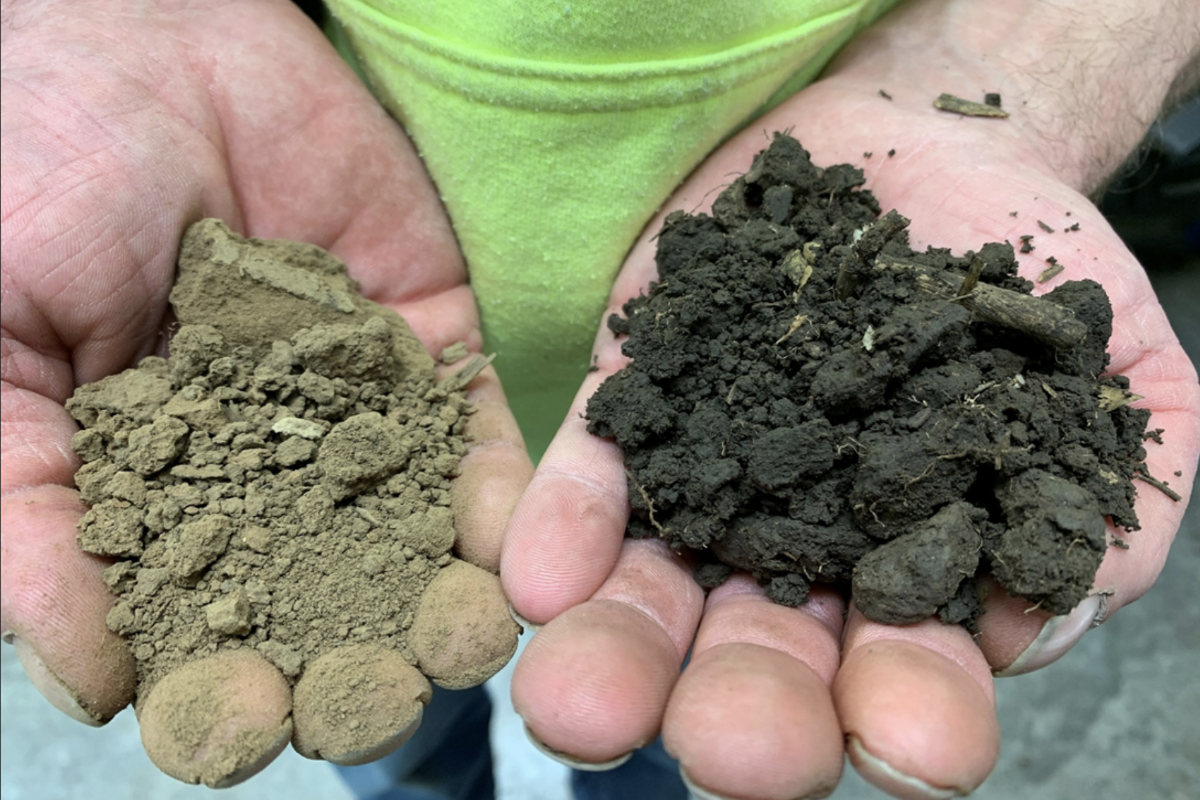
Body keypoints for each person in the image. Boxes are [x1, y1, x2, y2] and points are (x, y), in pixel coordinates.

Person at [2, 1, 1198, 799]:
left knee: (644, 707)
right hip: (351, 247)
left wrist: (1018, 60)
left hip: (672, 422)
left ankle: (621, 777)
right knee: (402, 703)